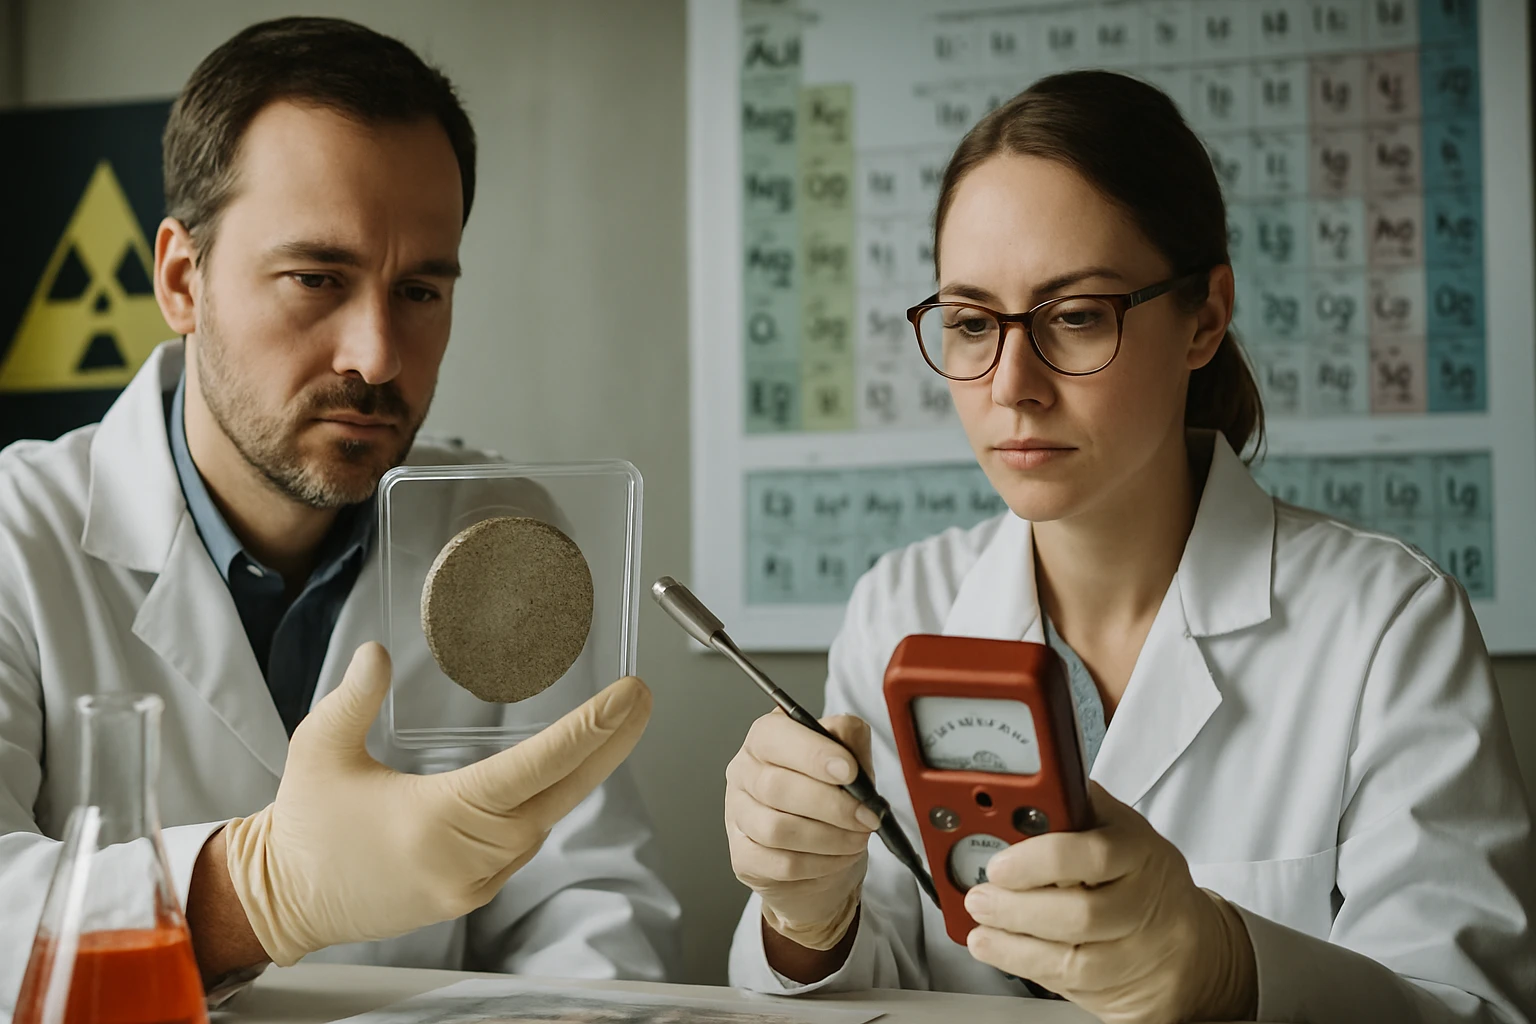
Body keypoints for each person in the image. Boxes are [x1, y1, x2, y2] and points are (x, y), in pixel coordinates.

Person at [723, 71, 1535, 1023]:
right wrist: (809, 918)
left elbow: (1472, 1008)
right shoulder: (900, 607)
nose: (1012, 383)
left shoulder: (1389, 625)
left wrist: (1234, 971)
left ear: (1204, 317)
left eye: (1075, 317)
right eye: (973, 323)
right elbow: (871, 975)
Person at [0, 17, 679, 1013]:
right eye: (318, 277)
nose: (378, 355)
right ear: (183, 280)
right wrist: (253, 891)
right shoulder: (18, 530)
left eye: (419, 290)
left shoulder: (498, 537)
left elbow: (590, 912)